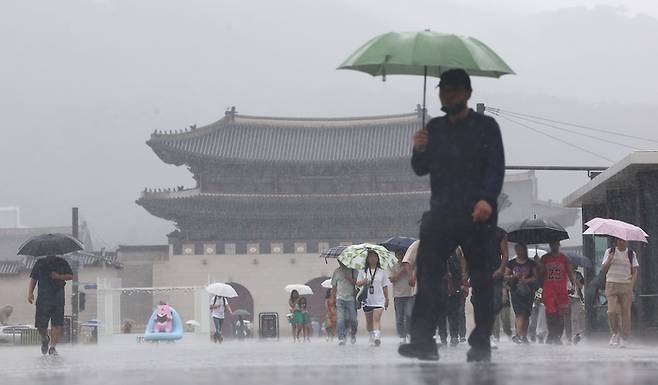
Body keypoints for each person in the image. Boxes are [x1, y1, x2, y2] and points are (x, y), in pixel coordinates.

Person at [399, 68, 505, 362]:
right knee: (430, 275)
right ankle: (423, 340)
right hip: (442, 213)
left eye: (454, 91)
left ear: (467, 93)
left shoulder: (486, 127)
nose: (448, 95)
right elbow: (421, 168)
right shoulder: (435, 129)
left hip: (477, 213)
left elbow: (496, 167)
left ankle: (481, 338)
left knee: (481, 278)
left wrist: (486, 198)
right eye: (444, 90)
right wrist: (418, 150)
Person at [28, 255, 73, 356]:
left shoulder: (62, 262)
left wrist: (59, 277)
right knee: (40, 325)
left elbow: (70, 276)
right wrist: (30, 293)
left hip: (58, 298)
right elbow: (33, 278)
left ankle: (53, 347)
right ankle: (45, 338)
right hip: (43, 298)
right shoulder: (40, 263)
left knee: (57, 324)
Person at [602, 237, 639, 347]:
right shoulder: (610, 251)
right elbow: (603, 268)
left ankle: (624, 336)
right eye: (619, 240)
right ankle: (615, 333)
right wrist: (609, 259)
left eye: (624, 240)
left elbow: (635, 271)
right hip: (611, 284)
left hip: (625, 285)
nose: (622, 242)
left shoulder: (631, 254)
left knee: (625, 313)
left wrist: (631, 285)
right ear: (616, 241)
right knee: (612, 311)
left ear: (627, 241)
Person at [538, 241, 575, 345]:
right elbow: (540, 274)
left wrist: (573, 284)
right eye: (552, 244)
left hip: (561, 291)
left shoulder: (564, 258)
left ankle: (558, 335)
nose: (554, 246)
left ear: (558, 245)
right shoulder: (545, 258)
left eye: (555, 244)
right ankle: (552, 334)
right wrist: (538, 264)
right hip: (549, 290)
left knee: (560, 315)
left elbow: (570, 271)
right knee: (550, 313)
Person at [505, 243, 538, 344]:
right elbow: (505, 276)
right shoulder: (511, 263)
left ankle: (524, 335)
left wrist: (526, 280)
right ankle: (518, 335)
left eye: (521, 250)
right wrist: (513, 277)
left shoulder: (531, 263)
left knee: (526, 314)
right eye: (518, 250)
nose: (520, 252)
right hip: (516, 291)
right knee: (519, 313)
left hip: (528, 292)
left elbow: (535, 277)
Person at [356, 250, 390, 347]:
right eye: (370, 257)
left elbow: (385, 286)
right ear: (367, 259)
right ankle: (371, 336)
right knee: (369, 321)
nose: (373, 258)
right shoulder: (363, 271)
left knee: (376, 318)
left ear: (378, 258)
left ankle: (377, 337)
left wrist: (386, 299)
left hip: (379, 300)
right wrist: (363, 281)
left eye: (375, 256)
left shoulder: (382, 272)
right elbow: (358, 283)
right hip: (367, 299)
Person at [437, 248, 468, 347]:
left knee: (454, 311)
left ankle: (454, 336)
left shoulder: (457, 250)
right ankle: (443, 337)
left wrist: (463, 281)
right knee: (441, 313)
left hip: (455, 285)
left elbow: (462, 265)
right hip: (441, 285)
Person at [389, 249, 415, 344]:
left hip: (409, 294)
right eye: (398, 253)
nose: (400, 255)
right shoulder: (393, 265)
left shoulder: (410, 265)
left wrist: (407, 268)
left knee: (409, 315)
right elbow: (392, 279)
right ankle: (402, 336)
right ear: (396, 255)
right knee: (399, 317)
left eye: (402, 253)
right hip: (398, 295)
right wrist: (402, 270)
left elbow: (414, 276)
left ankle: (409, 334)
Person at [492, 228, 512, 344]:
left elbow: (505, 254)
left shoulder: (499, 233)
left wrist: (501, 269)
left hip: (495, 273)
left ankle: (495, 335)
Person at [332, 261, 359, 345]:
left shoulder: (353, 271)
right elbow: (334, 286)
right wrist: (333, 298)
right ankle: (341, 337)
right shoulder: (336, 272)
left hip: (350, 298)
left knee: (353, 319)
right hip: (340, 299)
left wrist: (349, 278)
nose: (341, 262)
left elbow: (358, 283)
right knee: (340, 319)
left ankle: (353, 334)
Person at [565, 270, 585, 344]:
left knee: (575, 317)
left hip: (576, 299)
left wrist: (576, 281)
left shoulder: (578, 274)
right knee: (567, 318)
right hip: (566, 297)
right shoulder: (564, 273)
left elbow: (581, 286)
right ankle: (568, 337)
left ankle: (576, 335)